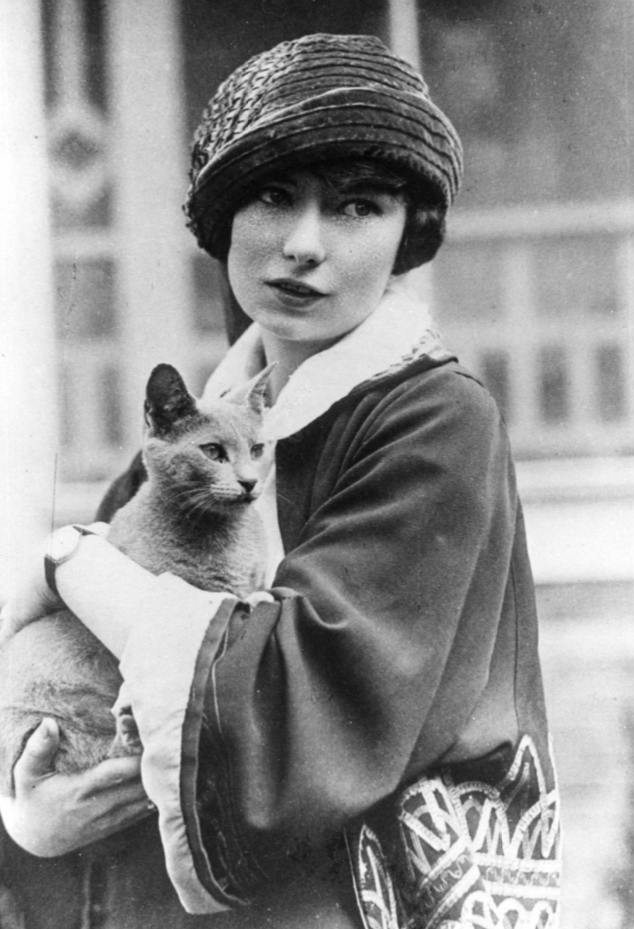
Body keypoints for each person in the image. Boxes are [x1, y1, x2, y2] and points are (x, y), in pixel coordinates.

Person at [0, 33, 561, 929]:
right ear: (224, 218)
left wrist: (70, 558)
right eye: (272, 196)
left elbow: (297, 701)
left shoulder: (436, 422)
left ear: (408, 235)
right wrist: (29, 814)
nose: (303, 244)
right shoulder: (199, 434)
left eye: (358, 205)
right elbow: (70, 686)